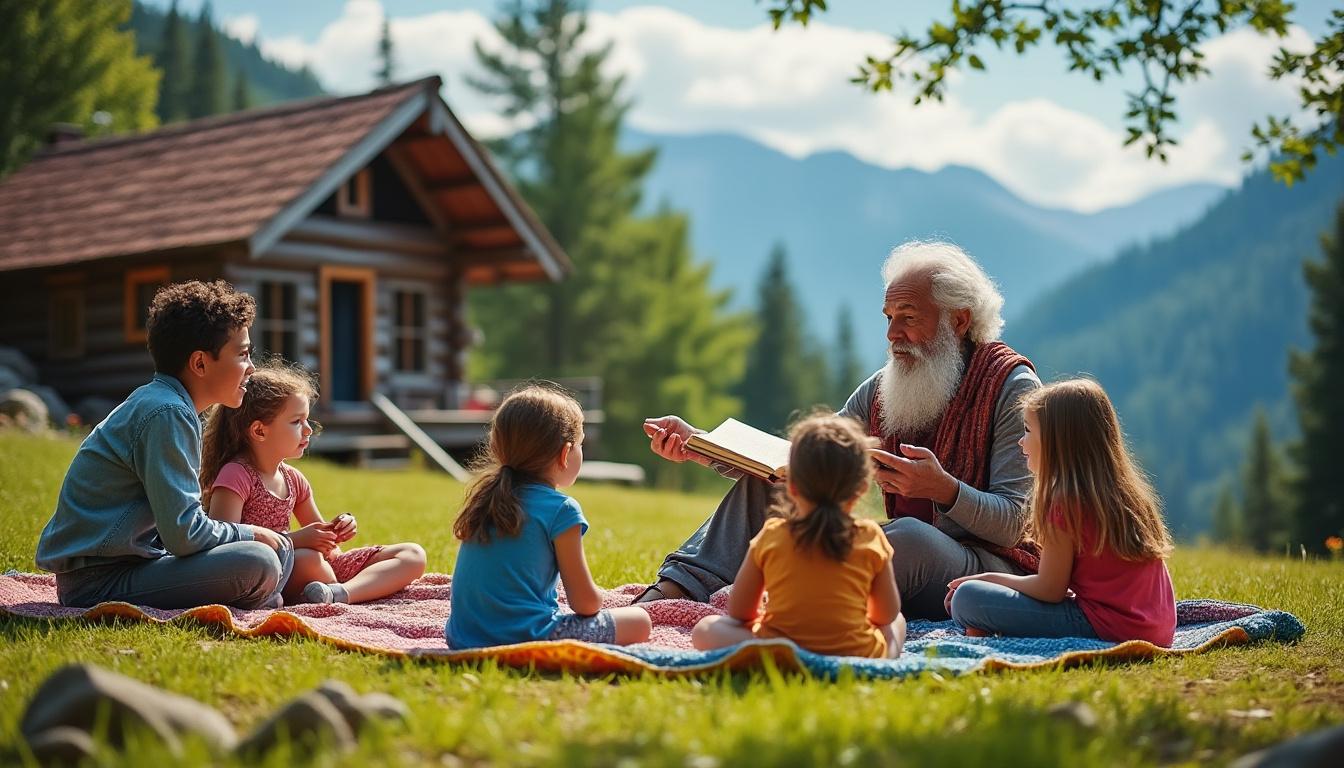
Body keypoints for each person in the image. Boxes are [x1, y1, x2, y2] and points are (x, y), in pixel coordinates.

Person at [638, 241, 1042, 619]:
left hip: (984, 567)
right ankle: (671, 596)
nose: (891, 334)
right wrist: (703, 445)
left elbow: (1014, 524)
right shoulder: (886, 386)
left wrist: (944, 490)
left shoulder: (1011, 387)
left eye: (908, 317)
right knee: (775, 484)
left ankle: (790, 614)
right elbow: (808, 462)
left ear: (958, 321)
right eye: (888, 318)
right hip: (904, 551)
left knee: (909, 538)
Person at [36, 280, 287, 609]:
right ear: (199, 363)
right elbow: (184, 534)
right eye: (242, 354)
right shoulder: (167, 413)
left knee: (278, 553)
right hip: (99, 582)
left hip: (133, 565)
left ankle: (260, 592)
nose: (251, 367)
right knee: (260, 559)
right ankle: (259, 592)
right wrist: (248, 534)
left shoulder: (168, 405)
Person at [947, 379, 1177, 646]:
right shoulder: (1126, 494)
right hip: (1157, 629)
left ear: (1057, 442)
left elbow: (1050, 590)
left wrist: (989, 578)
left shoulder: (1063, 502)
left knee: (967, 598)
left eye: (1027, 430)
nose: (1021, 442)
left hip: (1106, 628)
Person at [200, 363, 427, 605]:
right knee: (310, 561)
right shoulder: (236, 475)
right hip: (268, 570)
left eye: (307, 420)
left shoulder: (294, 479)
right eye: (297, 421)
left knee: (413, 554)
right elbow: (224, 545)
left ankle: (338, 593)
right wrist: (296, 541)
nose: (308, 430)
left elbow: (323, 539)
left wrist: (337, 529)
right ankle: (346, 591)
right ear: (259, 430)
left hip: (315, 566)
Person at [445, 385, 651, 649]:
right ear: (565, 454)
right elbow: (585, 604)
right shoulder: (562, 509)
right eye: (580, 444)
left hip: (463, 637)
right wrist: (599, 598)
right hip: (529, 638)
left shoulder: (485, 497)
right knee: (639, 620)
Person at [692, 414, 906, 658]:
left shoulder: (773, 534)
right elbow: (885, 615)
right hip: (855, 651)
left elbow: (740, 612)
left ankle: (776, 651)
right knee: (897, 622)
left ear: (791, 485)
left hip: (778, 644)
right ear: (861, 488)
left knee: (706, 629)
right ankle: (882, 658)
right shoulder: (871, 537)